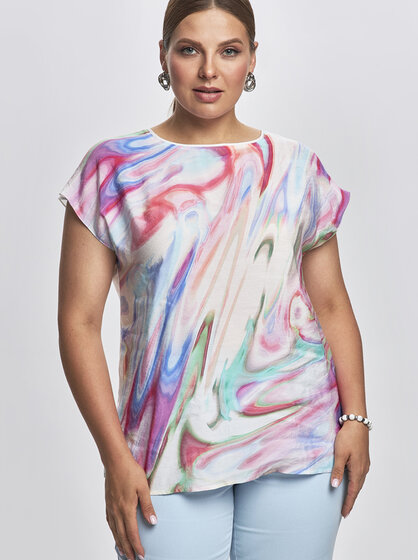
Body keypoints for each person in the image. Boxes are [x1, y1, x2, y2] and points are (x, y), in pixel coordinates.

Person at [57, 1, 371, 559]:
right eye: (189, 50)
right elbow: (78, 322)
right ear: (163, 56)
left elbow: (331, 304)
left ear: (252, 58)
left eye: (228, 51)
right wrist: (114, 457)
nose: (209, 71)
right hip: (164, 452)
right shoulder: (114, 169)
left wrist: (356, 420)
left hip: (298, 441)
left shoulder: (297, 167)